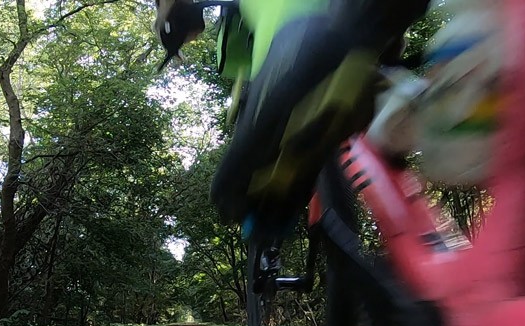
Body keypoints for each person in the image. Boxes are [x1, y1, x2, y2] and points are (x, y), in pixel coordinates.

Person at [154, 0, 430, 236]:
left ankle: (329, 64)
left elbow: (183, 19)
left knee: (236, 191)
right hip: (372, 36)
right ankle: (385, 80)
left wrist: (167, 17)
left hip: (298, 34)